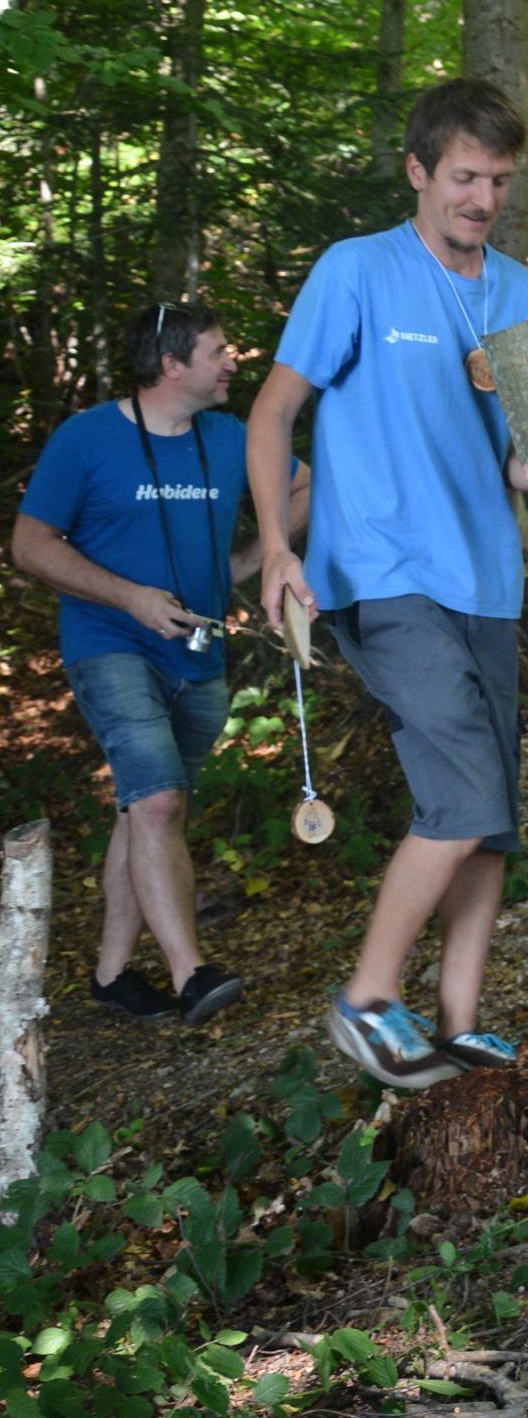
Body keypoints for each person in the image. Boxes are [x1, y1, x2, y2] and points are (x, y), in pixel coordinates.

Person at [246, 77, 528, 1090]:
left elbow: (521, 462)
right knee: (456, 794)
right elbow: (273, 414)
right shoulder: (356, 272)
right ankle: (365, 1001)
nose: (481, 197)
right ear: (418, 171)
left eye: (498, 179)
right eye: (463, 176)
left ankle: (456, 1024)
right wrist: (279, 548)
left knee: (487, 816)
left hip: (485, 578)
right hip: (376, 569)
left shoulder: (525, 296)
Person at [12, 301, 309, 1028]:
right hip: (110, 643)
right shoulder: (85, 439)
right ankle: (190, 972)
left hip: (199, 654)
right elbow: (30, 544)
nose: (233, 361)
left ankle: (113, 975)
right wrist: (130, 597)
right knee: (158, 802)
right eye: (218, 350)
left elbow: (302, 487)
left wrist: (249, 560)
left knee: (145, 805)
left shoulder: (232, 436)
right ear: (172, 364)